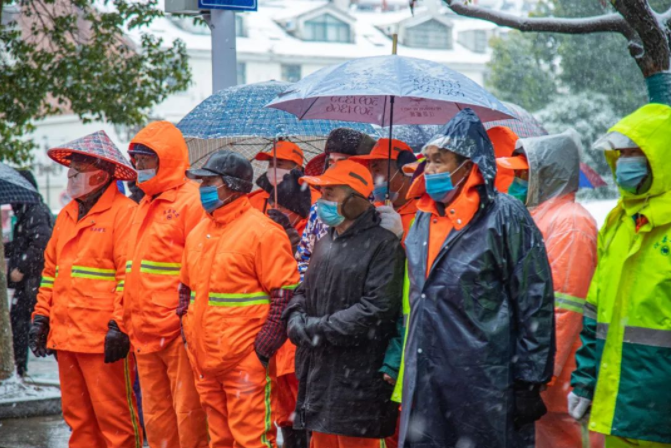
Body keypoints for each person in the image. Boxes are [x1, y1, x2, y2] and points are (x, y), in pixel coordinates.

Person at [399, 109, 555, 448]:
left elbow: (534, 299)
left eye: (439, 160)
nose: (430, 169)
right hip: (427, 377)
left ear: (468, 163)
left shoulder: (505, 215)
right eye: (427, 160)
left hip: (484, 380)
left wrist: (530, 379)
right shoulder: (423, 219)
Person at [179, 150, 300, 448]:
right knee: (219, 439)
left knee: (252, 440)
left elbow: (285, 294)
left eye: (210, 181)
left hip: (245, 361)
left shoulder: (263, 232)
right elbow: (185, 287)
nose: (203, 188)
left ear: (232, 185)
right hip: (205, 361)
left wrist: (261, 350)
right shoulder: (198, 232)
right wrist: (188, 333)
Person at [30, 131, 142, 448]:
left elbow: (128, 277)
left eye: (77, 170)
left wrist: (118, 326)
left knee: (115, 423)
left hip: (101, 340)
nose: (70, 175)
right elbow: (51, 272)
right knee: (79, 422)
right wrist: (41, 317)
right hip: (66, 338)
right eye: (71, 169)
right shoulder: (67, 214)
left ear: (100, 175)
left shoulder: (125, 214)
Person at [570, 103, 671, 448]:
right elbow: (594, 312)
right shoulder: (619, 222)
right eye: (621, 152)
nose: (625, 160)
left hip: (659, 412)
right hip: (619, 408)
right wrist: (584, 382)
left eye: (635, 152)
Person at [284, 159, 404, 448]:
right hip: (320, 374)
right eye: (321, 193)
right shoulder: (325, 241)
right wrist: (295, 317)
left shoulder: (384, 246)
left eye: (330, 194)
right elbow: (306, 288)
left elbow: (376, 309)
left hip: (358, 380)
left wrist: (316, 329)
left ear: (356, 201)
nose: (322, 201)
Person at [497, 131, 602, 448]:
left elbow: (562, 309)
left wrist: (539, 379)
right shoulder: (537, 217)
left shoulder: (570, 223)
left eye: (523, 175)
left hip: (560, 385)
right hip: (541, 378)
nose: (514, 182)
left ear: (547, 174)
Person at [120, 121, 208, 448]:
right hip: (144, 330)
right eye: (136, 160)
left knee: (189, 418)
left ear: (166, 159)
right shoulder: (144, 204)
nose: (138, 167)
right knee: (156, 421)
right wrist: (123, 318)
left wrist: (189, 320)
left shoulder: (192, 202)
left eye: (145, 159)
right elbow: (131, 270)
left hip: (176, 331)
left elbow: (201, 269)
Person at [265, 168, 312, 448]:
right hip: (276, 339)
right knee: (283, 410)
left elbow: (306, 271)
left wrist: (291, 234)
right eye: (272, 203)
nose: (273, 209)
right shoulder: (266, 230)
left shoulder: (311, 228)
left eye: (280, 205)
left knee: (300, 407)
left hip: (296, 337)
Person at [295, 128, 376, 280]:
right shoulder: (317, 210)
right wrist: (306, 292)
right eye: (331, 162)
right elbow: (303, 259)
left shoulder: (378, 212)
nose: (334, 168)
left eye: (343, 162)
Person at [6, 170, 53, 377]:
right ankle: (19, 368)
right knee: (21, 326)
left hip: (33, 283)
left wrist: (21, 270)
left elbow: (41, 243)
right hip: (28, 284)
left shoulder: (35, 211)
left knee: (26, 326)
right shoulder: (26, 212)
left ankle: (20, 368)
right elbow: (22, 244)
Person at [248, 140, 304, 212]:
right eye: (271, 164)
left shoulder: (311, 201)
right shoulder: (253, 200)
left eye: (279, 164)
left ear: (297, 169)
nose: (273, 169)